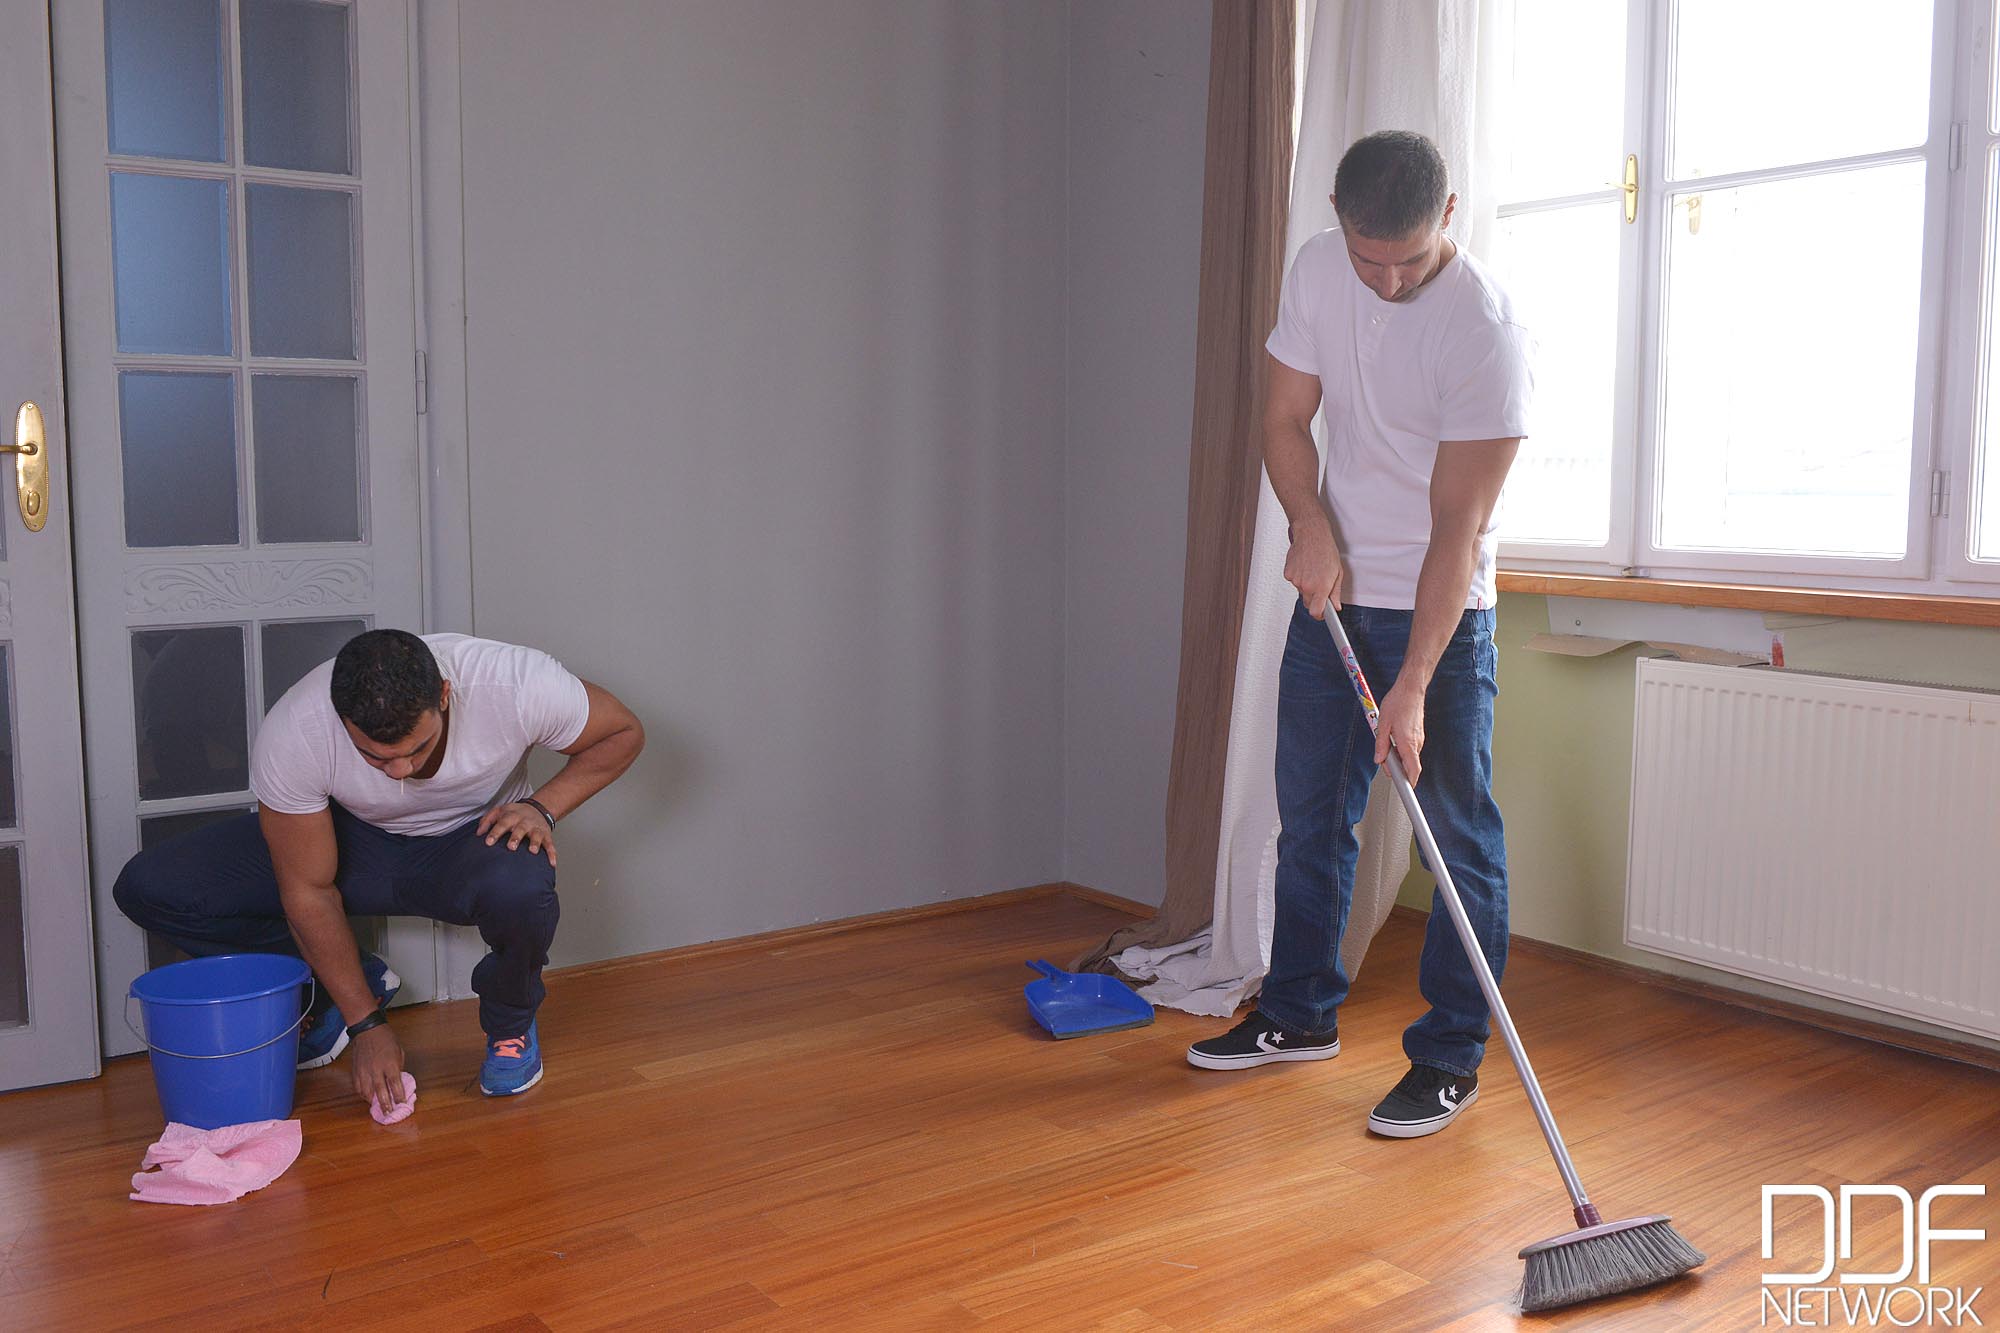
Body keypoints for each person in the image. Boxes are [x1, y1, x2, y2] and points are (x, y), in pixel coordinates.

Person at [1186, 130, 1533, 1139]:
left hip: (1440, 615)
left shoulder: (1485, 332)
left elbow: (1456, 530)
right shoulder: (1314, 270)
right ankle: (1297, 1014)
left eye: (1409, 261)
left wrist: (1413, 683)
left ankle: (1448, 1057)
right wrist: (1308, 524)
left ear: (1448, 215)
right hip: (1331, 597)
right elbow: (1283, 420)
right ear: (1338, 219)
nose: (1386, 284)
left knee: (1454, 841)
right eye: (1367, 259)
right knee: (1311, 819)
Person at [115, 630, 644, 1109]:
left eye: (417, 749)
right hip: (351, 844)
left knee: (523, 883)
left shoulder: (512, 684)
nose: (401, 772)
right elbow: (307, 890)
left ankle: (511, 1027)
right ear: (342, 719)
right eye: (375, 758)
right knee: (153, 887)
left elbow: (622, 732)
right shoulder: (298, 728)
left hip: (470, 842)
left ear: (444, 695)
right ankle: (341, 990)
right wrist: (366, 1025)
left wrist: (542, 807)